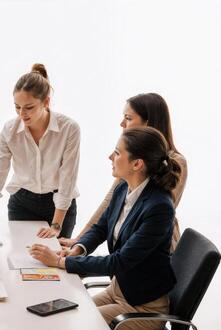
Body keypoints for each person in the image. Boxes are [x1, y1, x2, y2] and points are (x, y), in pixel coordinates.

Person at [30, 127, 181, 330]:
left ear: (137, 164)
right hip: (118, 290)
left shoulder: (159, 207)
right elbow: (101, 228)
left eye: (117, 153)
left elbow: (119, 261)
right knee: (60, 315)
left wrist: (60, 262)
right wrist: (78, 249)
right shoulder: (123, 190)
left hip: (143, 308)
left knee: (76, 326)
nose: (110, 157)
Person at [0, 64, 80, 238]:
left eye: (29, 107)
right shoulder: (10, 130)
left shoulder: (69, 128)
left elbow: (68, 179)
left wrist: (56, 226)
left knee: (56, 260)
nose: (22, 114)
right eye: (17, 107)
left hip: (60, 206)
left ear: (46, 102)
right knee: (22, 259)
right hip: (23, 203)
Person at [59, 93, 187, 252]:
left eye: (128, 118)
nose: (122, 124)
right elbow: (110, 201)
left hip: (155, 248)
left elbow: (159, 209)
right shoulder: (128, 157)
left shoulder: (175, 162)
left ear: (147, 123)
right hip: (126, 244)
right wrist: (80, 240)